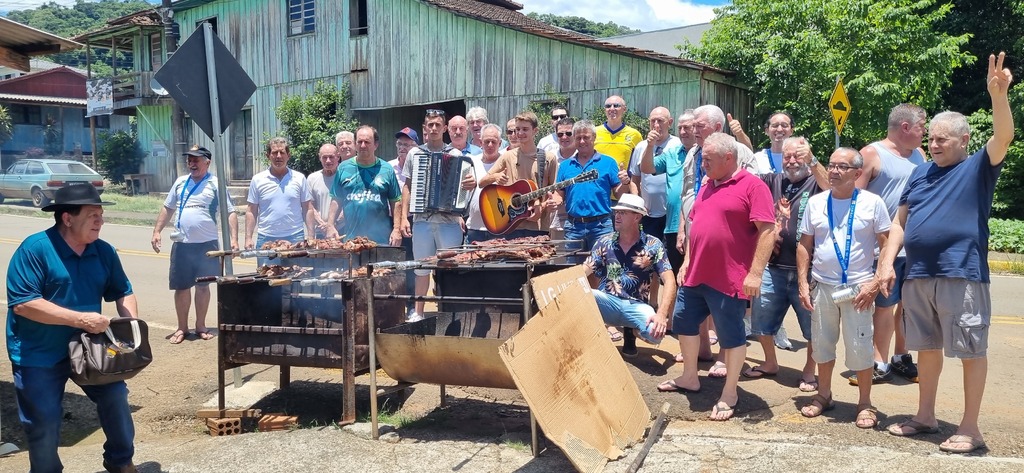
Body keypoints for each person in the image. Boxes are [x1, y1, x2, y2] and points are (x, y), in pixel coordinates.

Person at [880, 53, 1014, 454]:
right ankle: (926, 416)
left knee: (971, 349)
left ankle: (971, 429)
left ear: (963, 140)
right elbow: (900, 221)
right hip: (918, 274)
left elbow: (1004, 135)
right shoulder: (920, 171)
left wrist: (998, 95)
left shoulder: (978, 166)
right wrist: (888, 263)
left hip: (961, 273)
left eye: (942, 139)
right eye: (931, 138)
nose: (934, 144)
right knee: (927, 348)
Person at [6, 184, 140, 473]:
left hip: (90, 348)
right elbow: (24, 304)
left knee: (116, 397)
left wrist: (132, 330)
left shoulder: (103, 251)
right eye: (92, 215)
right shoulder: (34, 250)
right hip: (38, 351)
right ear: (67, 218)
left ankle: (120, 461)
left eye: (101, 214)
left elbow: (123, 291)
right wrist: (80, 320)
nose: (100, 221)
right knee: (43, 421)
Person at [660, 132, 775, 421]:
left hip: (730, 277)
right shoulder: (707, 185)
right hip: (696, 273)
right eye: (702, 160)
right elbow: (697, 223)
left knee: (731, 335)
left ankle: (730, 391)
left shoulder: (753, 186)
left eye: (708, 160)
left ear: (729, 158)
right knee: (683, 323)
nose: (703, 165)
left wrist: (756, 274)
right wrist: (686, 262)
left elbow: (768, 231)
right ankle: (689, 376)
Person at [795, 148, 890, 429]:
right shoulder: (816, 203)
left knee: (861, 347)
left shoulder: (872, 203)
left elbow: (886, 245)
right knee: (822, 346)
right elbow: (804, 245)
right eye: (832, 165)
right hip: (823, 286)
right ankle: (823, 395)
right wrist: (803, 282)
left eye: (842, 167)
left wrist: (875, 283)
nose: (834, 171)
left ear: (857, 173)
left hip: (859, 287)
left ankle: (864, 403)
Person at [676, 104, 760, 374]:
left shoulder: (740, 153)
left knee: (725, 305)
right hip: (696, 235)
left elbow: (751, 199)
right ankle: (702, 350)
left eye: (699, 126)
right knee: (695, 296)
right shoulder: (693, 153)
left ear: (717, 128)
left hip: (731, 244)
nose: (693, 130)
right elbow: (687, 194)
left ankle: (726, 358)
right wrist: (683, 229)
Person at [850, 103, 928, 386]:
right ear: (905, 127)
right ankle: (878, 362)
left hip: (914, 246)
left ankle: (901, 357)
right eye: (922, 127)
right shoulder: (871, 154)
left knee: (908, 306)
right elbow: (853, 199)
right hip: (882, 247)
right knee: (884, 306)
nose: (925, 133)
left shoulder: (920, 155)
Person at [743, 137, 828, 390]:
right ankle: (770, 362)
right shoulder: (772, 181)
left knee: (814, 327)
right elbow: (746, 180)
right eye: (787, 157)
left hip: (808, 269)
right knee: (761, 321)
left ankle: (809, 370)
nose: (791, 162)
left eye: (797, 156)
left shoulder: (817, 181)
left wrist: (812, 159)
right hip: (773, 266)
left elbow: (829, 186)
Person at [151, 145, 238, 344]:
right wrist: (157, 231)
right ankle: (182, 327)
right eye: (189, 160)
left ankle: (200, 325)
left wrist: (233, 240)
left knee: (203, 287)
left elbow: (230, 212)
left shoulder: (216, 184)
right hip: (182, 244)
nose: (191, 163)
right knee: (181, 288)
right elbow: (168, 208)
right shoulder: (181, 182)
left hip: (207, 245)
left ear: (207, 162)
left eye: (196, 160)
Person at [401, 109, 476, 320]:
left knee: (450, 267)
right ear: (425, 128)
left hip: (449, 221)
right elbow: (406, 187)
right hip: (422, 220)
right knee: (421, 268)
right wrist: (402, 220)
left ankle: (450, 314)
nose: (433, 128)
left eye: (437, 125)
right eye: (429, 125)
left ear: (444, 128)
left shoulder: (457, 155)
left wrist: (471, 184)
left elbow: (468, 187)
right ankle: (418, 312)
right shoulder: (414, 154)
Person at [585, 194, 675, 358]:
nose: (617, 216)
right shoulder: (604, 242)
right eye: (617, 212)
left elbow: (669, 280)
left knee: (656, 334)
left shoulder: (653, 245)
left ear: (637, 217)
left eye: (624, 213)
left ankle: (632, 332)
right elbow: (585, 270)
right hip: (607, 301)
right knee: (581, 296)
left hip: (636, 306)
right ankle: (592, 345)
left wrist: (662, 314)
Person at [547, 120, 630, 262]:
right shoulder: (566, 166)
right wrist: (555, 201)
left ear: (594, 138)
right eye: (578, 138)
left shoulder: (608, 162)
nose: (582, 141)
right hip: (574, 227)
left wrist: (625, 183)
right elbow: (560, 193)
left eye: (586, 137)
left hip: (601, 226)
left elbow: (618, 193)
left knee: (604, 268)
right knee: (573, 271)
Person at [479, 111, 559, 239]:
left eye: (525, 129)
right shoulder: (508, 156)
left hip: (537, 226)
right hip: (510, 224)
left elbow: (554, 192)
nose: (520, 133)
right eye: (517, 129)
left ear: (535, 131)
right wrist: (495, 177)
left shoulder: (548, 158)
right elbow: (482, 182)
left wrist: (541, 206)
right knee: (511, 259)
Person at [326, 126, 403, 246]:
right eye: (359, 142)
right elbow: (336, 199)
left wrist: (396, 229)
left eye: (367, 142)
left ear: (376, 145)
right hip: (352, 240)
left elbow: (396, 201)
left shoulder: (386, 169)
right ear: (355, 144)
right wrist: (330, 225)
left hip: (381, 240)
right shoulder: (343, 168)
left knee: (382, 266)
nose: (362, 145)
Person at [245, 137, 314, 266]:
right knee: (266, 280)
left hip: (295, 237)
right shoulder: (258, 180)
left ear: (288, 155)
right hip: (266, 238)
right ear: (268, 155)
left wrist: (310, 236)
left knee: (296, 279)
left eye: (282, 152)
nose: (278, 156)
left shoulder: (299, 178)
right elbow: (251, 211)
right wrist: (248, 237)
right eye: (274, 153)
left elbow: (308, 208)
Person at [630, 106, 681, 245]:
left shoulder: (678, 145)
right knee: (650, 255)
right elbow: (635, 179)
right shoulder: (641, 147)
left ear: (670, 122)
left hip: (672, 214)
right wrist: (637, 204)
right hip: (649, 213)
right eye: (653, 121)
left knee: (672, 254)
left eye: (660, 121)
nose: (656, 125)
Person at [465, 124, 505, 242]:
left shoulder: (507, 161)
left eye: (494, 141)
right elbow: (460, 191)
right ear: (481, 142)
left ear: (500, 143)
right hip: (474, 228)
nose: (490, 145)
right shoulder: (470, 161)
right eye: (487, 141)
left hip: (500, 228)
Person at [595, 95, 643, 176]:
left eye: (616, 106)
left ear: (624, 109)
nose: (612, 109)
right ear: (604, 110)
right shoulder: (594, 132)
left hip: (624, 184)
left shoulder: (635, 135)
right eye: (608, 106)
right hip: (598, 184)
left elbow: (640, 163)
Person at [548, 117, 577, 240]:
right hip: (555, 218)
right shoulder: (549, 157)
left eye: (568, 133)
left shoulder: (584, 157)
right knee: (558, 257)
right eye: (560, 134)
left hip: (578, 218)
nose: (564, 137)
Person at [307, 143, 342, 239]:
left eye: (331, 157)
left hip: (341, 229)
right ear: (319, 158)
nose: (328, 161)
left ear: (338, 157)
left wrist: (332, 224)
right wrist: (322, 224)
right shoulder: (312, 178)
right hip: (320, 231)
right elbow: (310, 205)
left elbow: (348, 202)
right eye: (324, 157)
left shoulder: (345, 177)